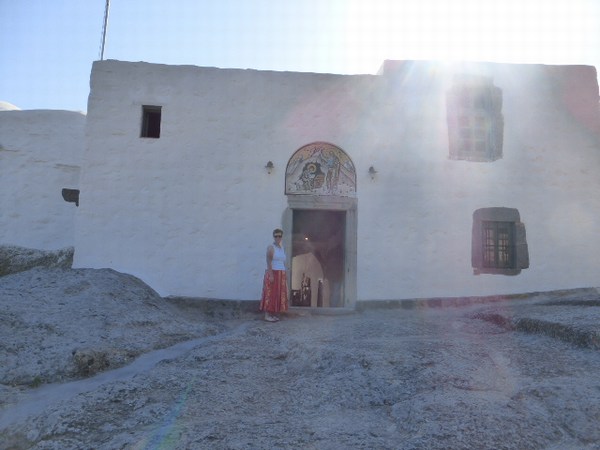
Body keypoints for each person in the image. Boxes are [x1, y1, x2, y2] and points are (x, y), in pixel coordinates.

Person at [259, 228, 289, 322]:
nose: (278, 238)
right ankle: (267, 315)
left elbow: (283, 262)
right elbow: (268, 261)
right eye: (276, 236)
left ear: (282, 237)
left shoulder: (282, 248)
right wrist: (271, 274)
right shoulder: (271, 248)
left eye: (280, 236)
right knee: (270, 293)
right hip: (273, 272)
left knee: (278, 293)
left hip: (281, 273)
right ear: (273, 237)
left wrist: (285, 273)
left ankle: (273, 314)